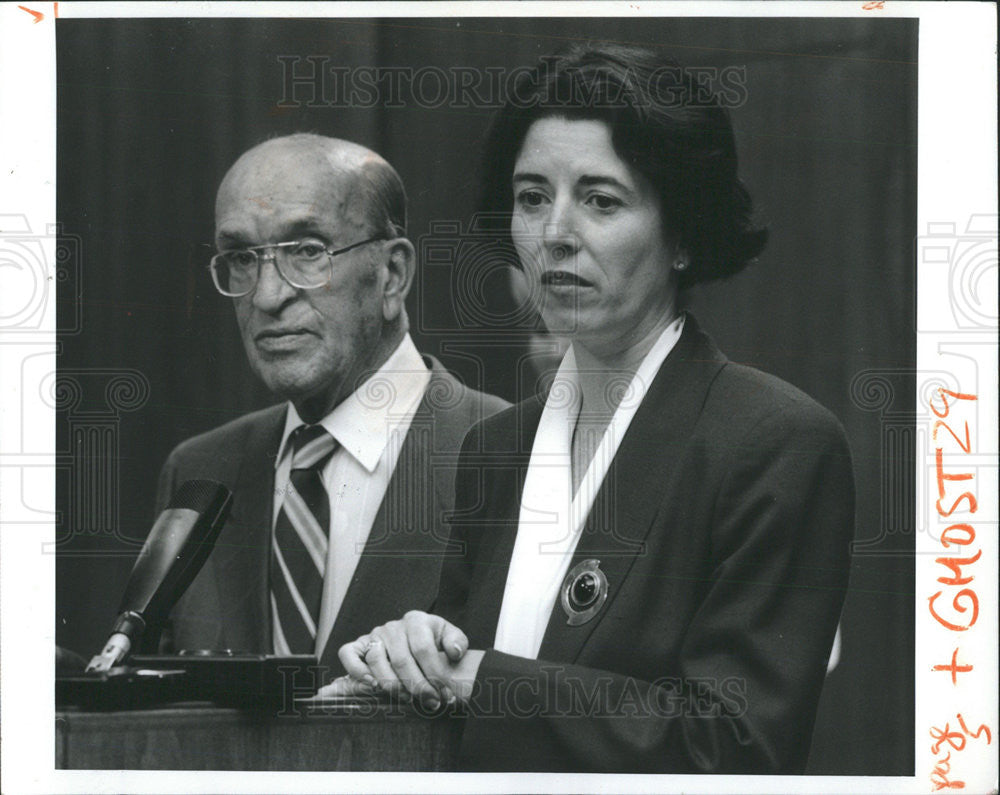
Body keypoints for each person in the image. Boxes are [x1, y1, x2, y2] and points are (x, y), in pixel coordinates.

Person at [328, 45, 856, 774]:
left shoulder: (775, 443)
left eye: (601, 200)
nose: (554, 234)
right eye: (532, 196)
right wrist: (409, 655)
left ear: (683, 237)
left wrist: (481, 681)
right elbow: (458, 698)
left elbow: (735, 748)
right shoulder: (496, 449)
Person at [154, 134, 508, 681]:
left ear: (392, 275)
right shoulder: (200, 471)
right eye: (243, 258)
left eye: (307, 251)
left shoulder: (512, 454)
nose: (268, 296)